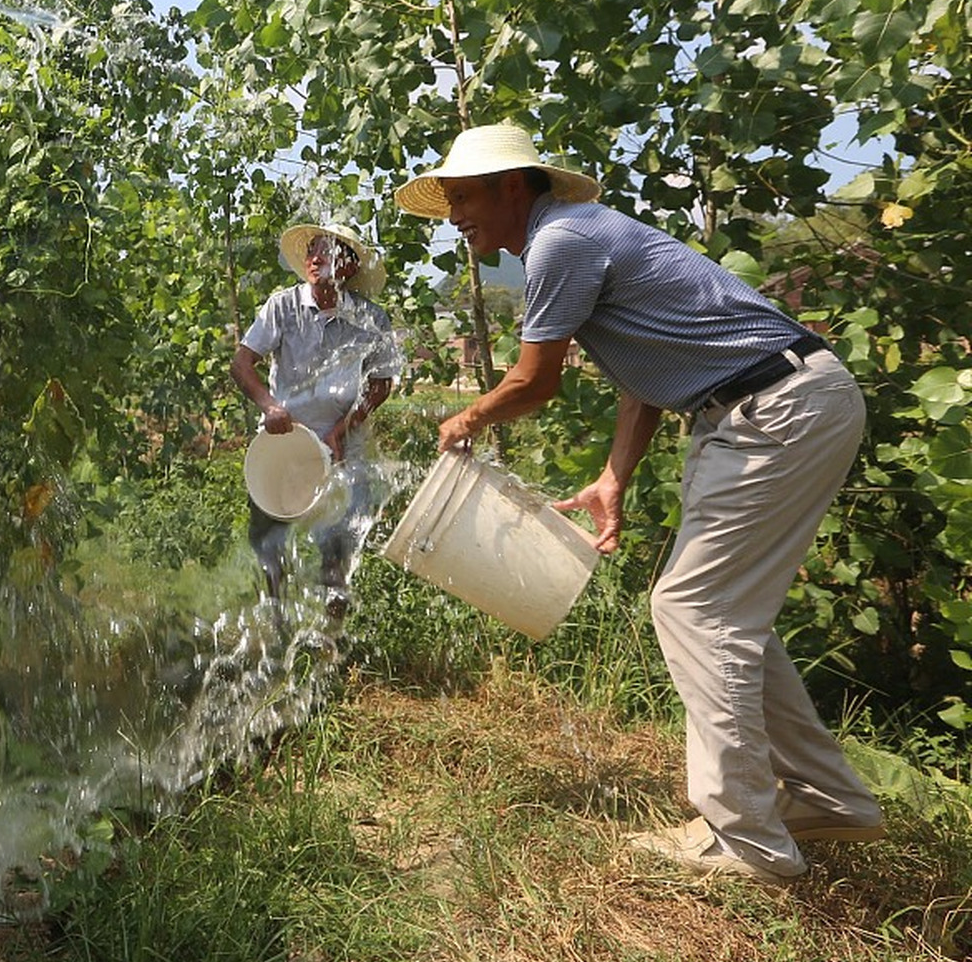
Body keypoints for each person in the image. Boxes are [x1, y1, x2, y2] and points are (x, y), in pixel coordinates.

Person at [392, 121, 884, 882]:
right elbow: (640, 377)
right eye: (448, 203)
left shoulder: (560, 243)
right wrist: (614, 477)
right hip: (778, 403)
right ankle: (828, 797)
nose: (455, 217)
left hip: (774, 408)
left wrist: (468, 416)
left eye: (462, 198)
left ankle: (746, 840)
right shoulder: (576, 235)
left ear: (513, 186)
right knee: (727, 614)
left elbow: (535, 382)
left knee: (693, 610)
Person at [232, 220, 402, 614]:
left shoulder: (371, 319)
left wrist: (343, 431)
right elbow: (242, 364)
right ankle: (276, 618)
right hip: (284, 440)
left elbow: (380, 384)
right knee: (269, 540)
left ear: (347, 265)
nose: (314, 258)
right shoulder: (283, 307)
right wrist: (270, 407)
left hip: (342, 442)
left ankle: (330, 634)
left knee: (336, 545)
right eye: (311, 250)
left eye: (325, 250)